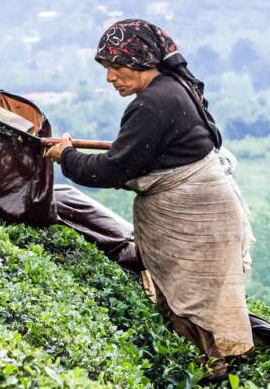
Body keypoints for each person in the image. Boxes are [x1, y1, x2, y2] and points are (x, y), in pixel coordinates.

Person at [44, 19, 253, 381]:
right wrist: (74, 150)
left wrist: (66, 156)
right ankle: (208, 371)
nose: (110, 78)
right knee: (190, 306)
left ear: (141, 61)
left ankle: (209, 375)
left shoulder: (153, 104)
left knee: (193, 305)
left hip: (197, 221)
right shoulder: (173, 89)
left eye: (116, 67)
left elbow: (112, 170)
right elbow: (143, 154)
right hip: (206, 213)